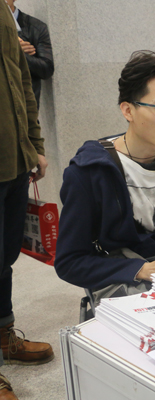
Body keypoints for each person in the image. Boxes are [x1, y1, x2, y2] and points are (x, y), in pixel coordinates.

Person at [55, 51, 155, 305]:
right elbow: (70, 262)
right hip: (132, 292)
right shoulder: (90, 173)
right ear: (128, 110)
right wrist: (141, 269)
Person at [1, 2, 52, 398]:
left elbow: (21, 81)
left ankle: (4, 335)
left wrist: (34, 143)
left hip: (13, 161)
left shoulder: (5, 13)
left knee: (4, 258)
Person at [6, 0, 54, 110]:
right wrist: (9, 49)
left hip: (24, 107)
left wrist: (19, 54)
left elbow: (46, 69)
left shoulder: (36, 27)